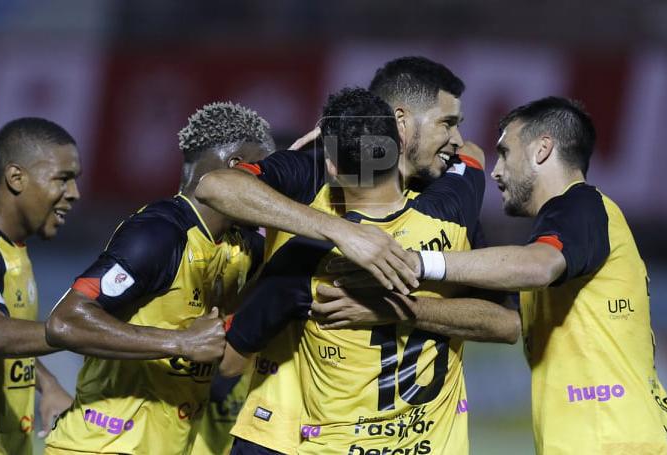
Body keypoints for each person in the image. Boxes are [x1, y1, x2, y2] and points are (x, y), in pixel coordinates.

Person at [195, 57, 516, 455]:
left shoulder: (447, 204)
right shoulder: (312, 170)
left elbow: (504, 323)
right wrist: (341, 230)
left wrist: (399, 308)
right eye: (447, 124)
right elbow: (216, 188)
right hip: (282, 433)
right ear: (400, 123)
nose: (457, 139)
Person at [348, 96, 667, 454]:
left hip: (611, 442)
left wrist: (418, 262)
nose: (496, 171)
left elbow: (536, 267)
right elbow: (509, 324)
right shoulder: (569, 234)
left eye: (506, 153)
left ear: (542, 149)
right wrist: (400, 307)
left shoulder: (579, 206)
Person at [44, 102, 272, 455]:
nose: (270, 189)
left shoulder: (242, 248)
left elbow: (230, 362)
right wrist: (178, 343)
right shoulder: (159, 235)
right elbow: (64, 321)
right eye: (265, 173)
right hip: (103, 446)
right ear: (236, 170)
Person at [0, 117, 79, 454]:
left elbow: (8, 336)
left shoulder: (13, 250)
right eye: (63, 179)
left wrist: (48, 382)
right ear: (16, 178)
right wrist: (77, 331)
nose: (74, 194)